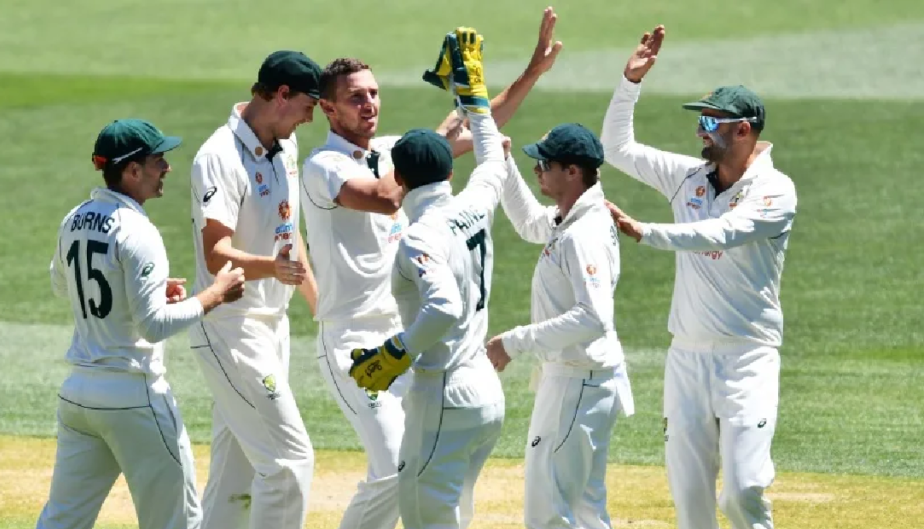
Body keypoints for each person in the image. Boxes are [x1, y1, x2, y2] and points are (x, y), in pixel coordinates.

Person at [299, 8, 563, 529]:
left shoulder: (391, 151)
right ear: (328, 108)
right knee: (392, 469)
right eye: (356, 97)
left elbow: (482, 134)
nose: (370, 104)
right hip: (353, 338)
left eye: (374, 93)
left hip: (409, 333)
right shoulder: (323, 166)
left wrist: (527, 74)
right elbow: (383, 198)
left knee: (420, 464)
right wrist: (428, 150)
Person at [600, 25, 797, 529]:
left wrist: (646, 232)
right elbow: (617, 148)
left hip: (746, 357)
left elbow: (724, 232)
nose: (700, 131)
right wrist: (630, 82)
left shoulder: (776, 191)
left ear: (743, 130)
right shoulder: (689, 177)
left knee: (743, 489)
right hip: (686, 357)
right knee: (690, 499)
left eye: (711, 122)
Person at [38, 118, 246, 529]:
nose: (167, 168)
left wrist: (133, 289)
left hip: (80, 396)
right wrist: (214, 295)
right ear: (133, 170)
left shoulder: (74, 218)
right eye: (158, 160)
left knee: (62, 521)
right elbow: (153, 326)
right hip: (133, 396)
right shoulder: (138, 230)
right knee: (176, 522)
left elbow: (63, 285)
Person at [347, 27, 509, 529]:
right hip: (486, 394)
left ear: (398, 179)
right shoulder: (476, 203)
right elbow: (492, 157)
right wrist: (475, 98)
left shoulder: (419, 237)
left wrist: (396, 352)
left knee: (425, 518)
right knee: (453, 514)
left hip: (444, 395)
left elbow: (444, 307)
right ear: (449, 173)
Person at [186, 50, 321, 529]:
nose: (311, 117)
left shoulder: (285, 145)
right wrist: (273, 268)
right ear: (281, 94)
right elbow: (216, 253)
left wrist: (320, 309)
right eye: (308, 105)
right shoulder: (218, 157)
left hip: (272, 326)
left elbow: (289, 230)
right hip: (232, 329)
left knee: (235, 476)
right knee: (289, 463)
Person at [485, 123, 635, 529]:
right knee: (585, 509)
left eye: (545, 164)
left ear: (572, 172)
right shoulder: (571, 217)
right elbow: (528, 222)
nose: (538, 170)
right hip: (583, 380)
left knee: (549, 509)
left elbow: (593, 316)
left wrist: (514, 342)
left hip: (577, 383)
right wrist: (504, 163)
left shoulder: (582, 234)